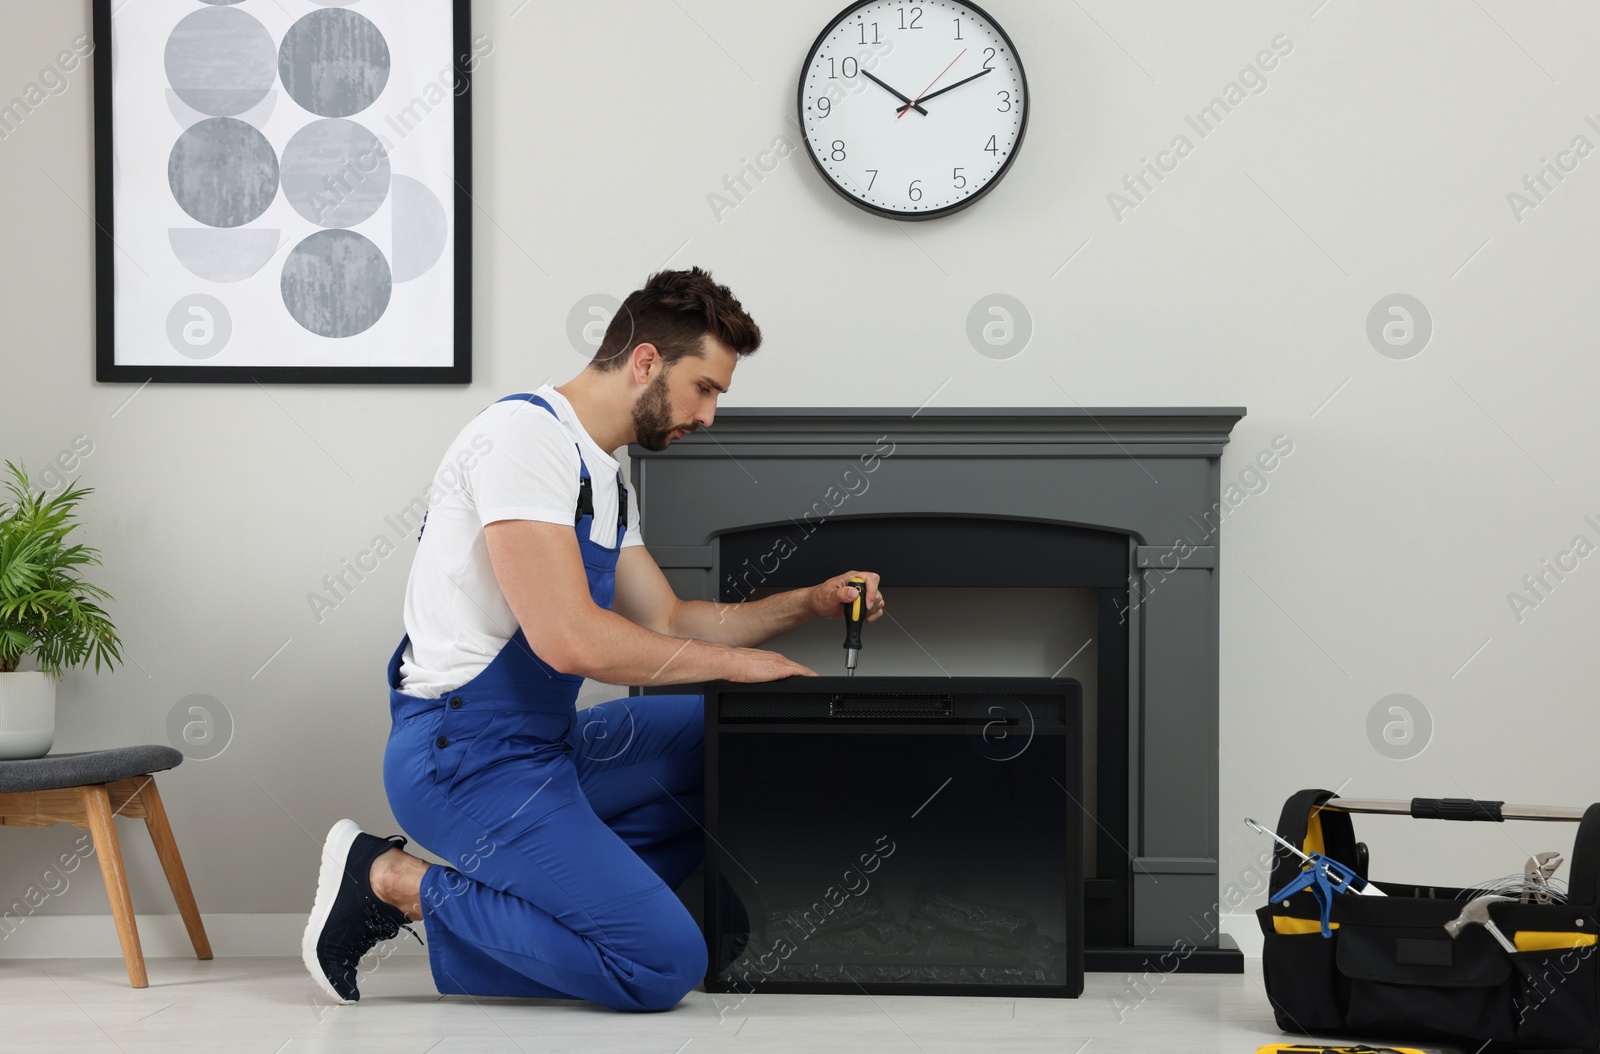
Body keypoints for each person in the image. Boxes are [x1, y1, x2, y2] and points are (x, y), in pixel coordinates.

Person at [301, 267, 886, 1011]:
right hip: (463, 761)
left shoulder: (603, 477)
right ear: (646, 362)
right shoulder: (522, 439)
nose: (709, 416)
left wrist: (808, 602)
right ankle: (394, 882)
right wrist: (739, 664)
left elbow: (670, 621)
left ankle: (565, 912)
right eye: (705, 388)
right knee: (661, 965)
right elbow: (569, 640)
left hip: (548, 748)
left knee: (751, 734)